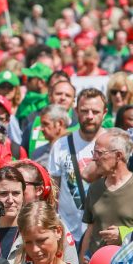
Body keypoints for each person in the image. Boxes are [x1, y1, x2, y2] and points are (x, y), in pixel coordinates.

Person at [79, 128, 133, 260]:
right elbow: (90, 230)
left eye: (99, 153)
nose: (94, 158)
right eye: (94, 152)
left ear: (118, 156)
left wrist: (123, 235)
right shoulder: (95, 188)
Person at [47, 88, 108, 239]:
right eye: (84, 111)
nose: (90, 116)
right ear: (75, 111)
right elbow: (53, 191)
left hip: (102, 232)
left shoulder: (113, 144)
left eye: (95, 111)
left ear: (105, 113)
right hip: (68, 233)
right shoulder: (61, 145)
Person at [0, 165, 26, 261]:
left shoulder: (33, 229)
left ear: (23, 195)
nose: (10, 200)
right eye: (3, 194)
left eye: (16, 193)